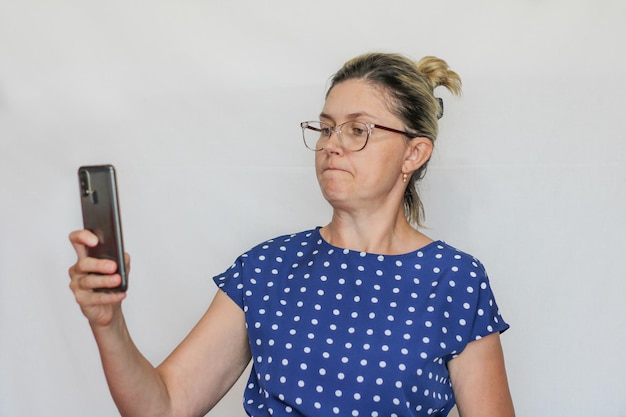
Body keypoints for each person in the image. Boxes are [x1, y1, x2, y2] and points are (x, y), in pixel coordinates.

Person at [69, 52, 515, 417]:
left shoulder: (454, 280)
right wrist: (108, 324)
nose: (330, 144)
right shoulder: (266, 268)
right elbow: (162, 408)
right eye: (325, 127)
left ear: (413, 153)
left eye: (358, 130)